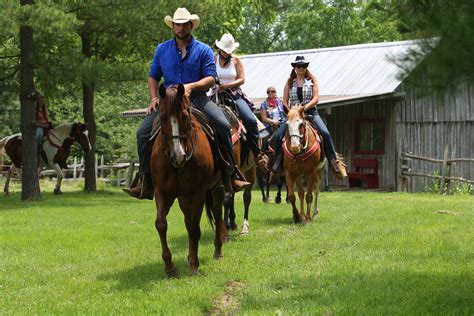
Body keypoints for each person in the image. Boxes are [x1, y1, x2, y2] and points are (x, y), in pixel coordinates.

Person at [123, 8, 251, 200]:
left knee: (223, 125)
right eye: (177, 24)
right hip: (168, 100)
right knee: (142, 133)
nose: (181, 28)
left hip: (197, 97)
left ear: (191, 25)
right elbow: (153, 77)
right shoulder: (162, 49)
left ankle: (230, 174)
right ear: (173, 26)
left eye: (184, 24)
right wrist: (154, 98)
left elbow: (210, 78)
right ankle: (145, 180)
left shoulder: (204, 50)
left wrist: (191, 86)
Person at [270, 55, 346, 178]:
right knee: (278, 136)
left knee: (325, 133)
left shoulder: (312, 80)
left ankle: (334, 163)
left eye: (304, 66)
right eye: (299, 66)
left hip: (310, 112)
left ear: (306, 67)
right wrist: (291, 112)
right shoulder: (289, 82)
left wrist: (304, 108)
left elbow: (316, 98)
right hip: (293, 115)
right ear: (294, 67)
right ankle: (277, 164)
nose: (301, 68)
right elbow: (284, 101)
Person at [213, 33, 267, 166]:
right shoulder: (213, 57)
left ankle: (257, 153)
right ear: (219, 48)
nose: (226, 53)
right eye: (224, 50)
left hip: (234, 94)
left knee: (249, 119)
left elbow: (242, 79)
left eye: (229, 50)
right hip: (216, 94)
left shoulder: (236, 60)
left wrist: (228, 85)